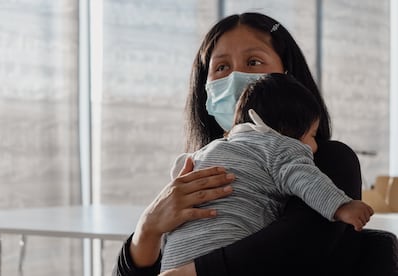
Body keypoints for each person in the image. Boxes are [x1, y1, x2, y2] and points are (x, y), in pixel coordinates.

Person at [112, 12, 398, 276]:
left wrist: (193, 272)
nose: (236, 77)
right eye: (221, 67)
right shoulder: (197, 165)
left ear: (288, 77)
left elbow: (295, 247)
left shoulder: (329, 161)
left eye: (254, 62)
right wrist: (148, 229)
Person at [160, 73, 374, 271]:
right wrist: (341, 206)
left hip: (172, 260)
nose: (315, 145)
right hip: (224, 253)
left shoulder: (205, 151)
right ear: (286, 130)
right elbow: (307, 180)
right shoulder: (280, 146)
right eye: (312, 134)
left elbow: (178, 179)